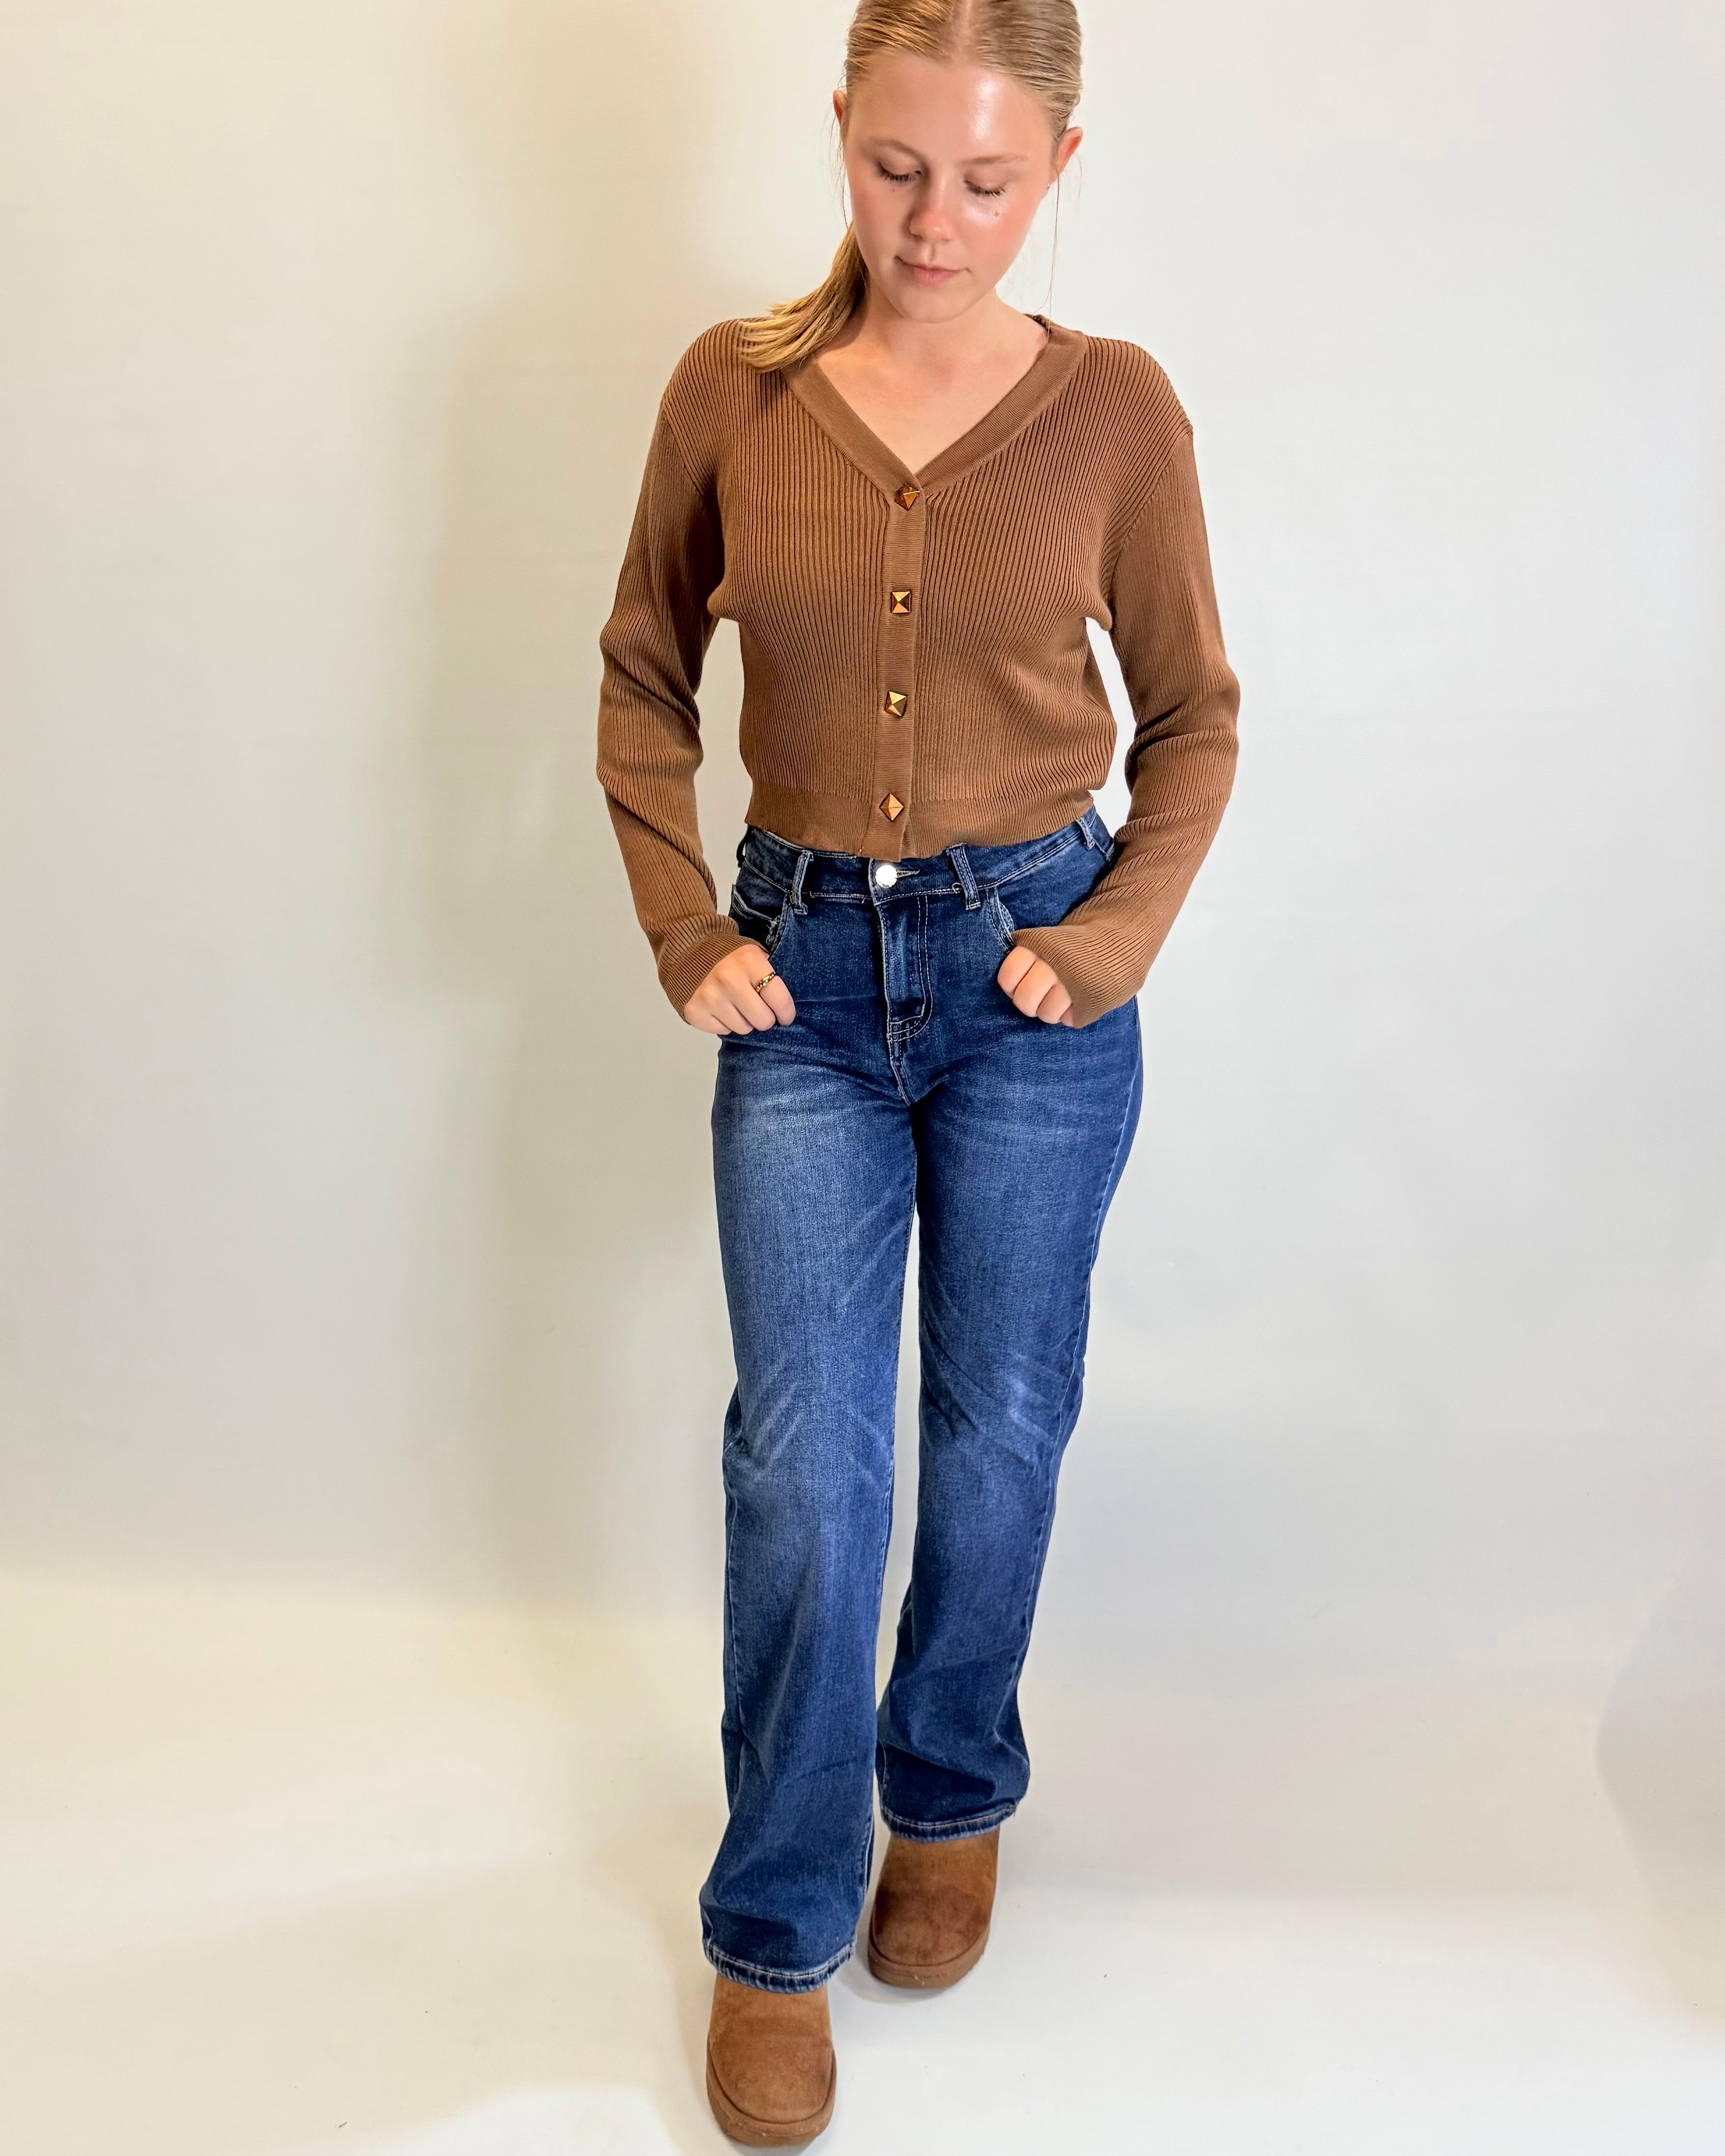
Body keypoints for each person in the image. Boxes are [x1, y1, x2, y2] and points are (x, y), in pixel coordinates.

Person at [595, 0, 1239, 2139]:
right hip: (800, 976)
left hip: (1028, 985)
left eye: (983, 179)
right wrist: (689, 923)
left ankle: (945, 1790)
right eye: (894, 170)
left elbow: (1196, 718)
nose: (933, 221)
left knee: (995, 1424)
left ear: (1057, 163)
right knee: (804, 1458)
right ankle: (772, 1925)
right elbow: (635, 672)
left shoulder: (1113, 411)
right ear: (839, 134)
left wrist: (1110, 931)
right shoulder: (738, 389)